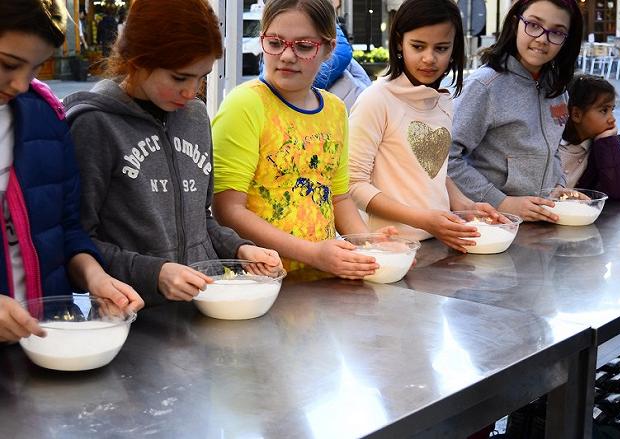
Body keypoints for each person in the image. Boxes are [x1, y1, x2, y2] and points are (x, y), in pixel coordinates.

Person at [65, 0, 282, 307]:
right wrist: (154, 273)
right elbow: (77, 239)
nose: (192, 92)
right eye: (179, 78)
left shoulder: (194, 116)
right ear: (137, 60)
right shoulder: (94, 124)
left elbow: (200, 220)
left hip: (205, 305)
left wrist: (238, 249)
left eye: (202, 76)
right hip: (132, 315)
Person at [212, 0, 393, 279]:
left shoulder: (334, 110)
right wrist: (312, 253)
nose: (286, 56)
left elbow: (340, 197)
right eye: (275, 43)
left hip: (321, 276)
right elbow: (227, 209)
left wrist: (366, 244)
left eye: (304, 46)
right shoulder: (245, 104)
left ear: (328, 49)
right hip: (259, 279)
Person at [0, 0, 143, 342]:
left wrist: (95, 276)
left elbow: (66, 227)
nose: (21, 84)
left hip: (45, 338)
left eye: (35, 68)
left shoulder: (45, 118)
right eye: (8, 64)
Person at [348, 0, 503, 253]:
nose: (429, 58)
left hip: (440, 243)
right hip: (390, 248)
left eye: (441, 48)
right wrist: (424, 220)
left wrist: (464, 205)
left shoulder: (442, 100)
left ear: (454, 49)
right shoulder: (376, 99)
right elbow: (353, 184)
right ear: (399, 42)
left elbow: (431, 169)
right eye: (418, 46)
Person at [448, 0, 583, 222]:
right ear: (515, 24)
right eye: (534, 25)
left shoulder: (558, 90)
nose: (542, 38)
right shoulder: (485, 86)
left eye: (557, 32)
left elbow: (553, 148)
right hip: (491, 224)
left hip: (542, 221)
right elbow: (445, 157)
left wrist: (558, 187)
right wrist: (501, 202)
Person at [559, 74, 620, 200]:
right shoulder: (550, 144)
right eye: (604, 110)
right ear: (576, 114)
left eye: (612, 110)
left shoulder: (603, 148)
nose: (612, 119)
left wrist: (607, 142)